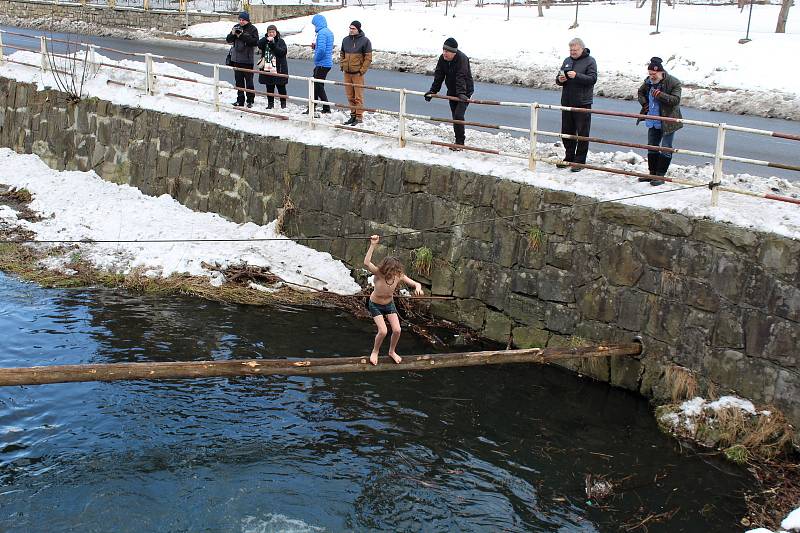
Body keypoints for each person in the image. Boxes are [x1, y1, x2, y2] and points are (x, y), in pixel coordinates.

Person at [363, 235, 424, 366]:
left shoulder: (399, 275)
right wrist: (373, 244)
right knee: (383, 331)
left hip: (389, 304)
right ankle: (375, 351)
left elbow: (415, 284)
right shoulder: (379, 273)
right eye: (391, 270)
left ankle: (391, 351)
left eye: (396, 271)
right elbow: (367, 263)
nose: (393, 273)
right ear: (386, 268)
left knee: (397, 330)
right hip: (375, 305)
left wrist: (418, 288)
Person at [636, 56, 683, 186]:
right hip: (652, 118)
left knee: (666, 147)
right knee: (652, 146)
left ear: (661, 72)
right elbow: (640, 92)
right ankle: (652, 173)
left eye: (654, 74)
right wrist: (644, 104)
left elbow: (675, 100)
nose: (651, 76)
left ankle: (660, 176)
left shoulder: (674, 82)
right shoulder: (648, 82)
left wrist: (660, 95)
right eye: (650, 74)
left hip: (668, 120)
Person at [555, 37, 597, 171]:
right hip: (567, 101)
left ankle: (579, 161)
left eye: (575, 50)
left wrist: (577, 76)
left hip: (583, 102)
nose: (572, 52)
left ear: (582, 49)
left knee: (582, 133)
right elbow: (558, 78)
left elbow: (592, 79)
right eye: (571, 50)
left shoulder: (590, 61)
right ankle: (569, 157)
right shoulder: (567, 60)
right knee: (567, 132)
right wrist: (560, 79)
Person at [424, 37, 474, 149]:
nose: (444, 53)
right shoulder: (442, 59)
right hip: (452, 91)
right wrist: (433, 91)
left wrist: (462, 93)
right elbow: (439, 75)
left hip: (465, 91)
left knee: (458, 115)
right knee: (454, 116)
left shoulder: (462, 59)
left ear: (453, 52)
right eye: (443, 50)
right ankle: (458, 140)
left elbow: (461, 76)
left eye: (447, 51)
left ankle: (460, 143)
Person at [340, 20, 373, 126]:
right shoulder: (345, 40)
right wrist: (342, 65)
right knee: (350, 96)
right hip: (347, 73)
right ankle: (353, 115)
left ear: (358, 29)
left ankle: (359, 117)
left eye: (353, 28)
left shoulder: (365, 41)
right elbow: (342, 54)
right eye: (350, 28)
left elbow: (368, 58)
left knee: (358, 97)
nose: (351, 30)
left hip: (357, 73)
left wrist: (361, 71)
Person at [225, 11, 259, 108]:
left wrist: (242, 35)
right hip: (236, 59)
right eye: (240, 20)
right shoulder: (236, 26)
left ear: (247, 20)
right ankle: (240, 100)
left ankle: (250, 100)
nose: (241, 22)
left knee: (249, 81)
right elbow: (228, 40)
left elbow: (255, 42)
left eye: (243, 20)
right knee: (238, 81)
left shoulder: (252, 29)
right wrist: (233, 34)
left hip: (247, 60)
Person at [306, 14, 333, 114]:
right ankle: (314, 106)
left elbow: (322, 49)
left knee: (317, 85)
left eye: (314, 24)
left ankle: (325, 107)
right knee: (317, 85)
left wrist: (316, 57)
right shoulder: (328, 32)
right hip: (326, 63)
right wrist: (316, 46)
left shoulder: (322, 33)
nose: (314, 27)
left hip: (322, 63)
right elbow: (325, 46)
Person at [257, 24, 289, 109]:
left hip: (279, 68)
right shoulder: (265, 41)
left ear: (276, 32)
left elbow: (282, 52)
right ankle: (270, 104)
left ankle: (283, 104)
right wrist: (265, 39)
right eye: (269, 32)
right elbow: (259, 45)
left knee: (281, 87)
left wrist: (273, 45)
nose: (271, 34)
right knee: (269, 87)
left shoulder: (281, 41)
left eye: (273, 32)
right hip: (267, 68)